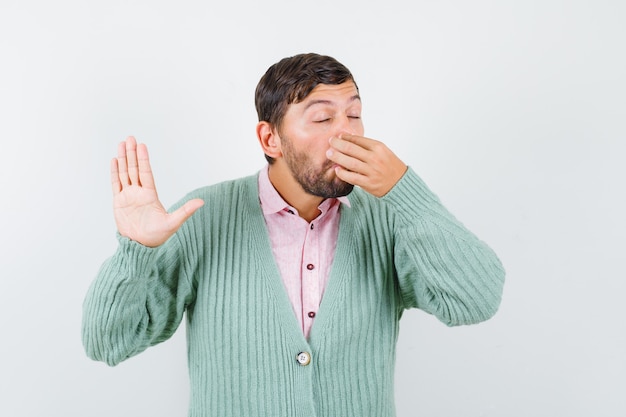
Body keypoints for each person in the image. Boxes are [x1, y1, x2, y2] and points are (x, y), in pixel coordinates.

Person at [82, 53, 505, 417]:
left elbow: (476, 300)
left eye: (354, 114)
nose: (349, 133)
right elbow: (107, 342)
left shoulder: (389, 219)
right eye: (323, 117)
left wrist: (404, 192)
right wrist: (135, 250)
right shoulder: (204, 218)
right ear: (271, 138)